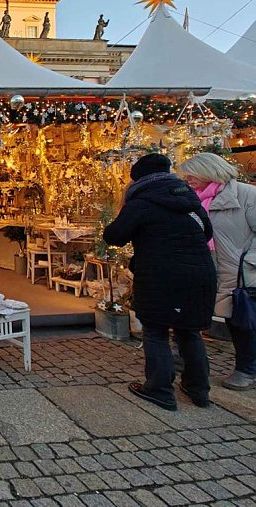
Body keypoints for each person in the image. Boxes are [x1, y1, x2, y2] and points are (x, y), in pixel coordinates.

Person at [103, 153, 216, 410]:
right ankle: (199, 390)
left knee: (156, 331)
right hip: (199, 275)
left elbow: (114, 236)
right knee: (190, 331)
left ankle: (160, 390)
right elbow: (207, 232)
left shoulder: (141, 203)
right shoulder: (190, 201)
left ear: (138, 179)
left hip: (160, 275)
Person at [180, 152, 256, 391]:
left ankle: (247, 370)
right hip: (212, 268)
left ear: (209, 171)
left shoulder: (246, 195)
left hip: (242, 271)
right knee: (230, 318)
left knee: (243, 321)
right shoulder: (194, 199)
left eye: (192, 174)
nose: (188, 179)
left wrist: (249, 261)